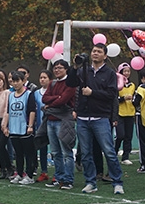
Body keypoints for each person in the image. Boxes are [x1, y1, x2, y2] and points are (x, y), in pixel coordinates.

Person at [66, 43, 124, 195]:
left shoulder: (110, 73)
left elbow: (112, 95)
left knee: (109, 151)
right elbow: (70, 83)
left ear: (105, 55)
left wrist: (93, 93)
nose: (95, 54)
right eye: (93, 51)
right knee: (85, 153)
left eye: (99, 51)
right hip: (83, 117)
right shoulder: (84, 70)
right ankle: (90, 182)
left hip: (101, 117)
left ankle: (117, 182)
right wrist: (74, 67)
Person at [42, 60, 77, 189]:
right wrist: (56, 98)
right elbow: (44, 98)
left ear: (66, 69)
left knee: (66, 152)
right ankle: (58, 177)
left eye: (60, 68)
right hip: (51, 120)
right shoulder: (52, 83)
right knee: (55, 152)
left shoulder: (70, 84)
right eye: (55, 68)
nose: (57, 70)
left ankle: (68, 180)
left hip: (63, 121)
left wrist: (52, 101)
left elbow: (63, 100)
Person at [2, 71, 37, 185]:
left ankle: (30, 175)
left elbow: (32, 110)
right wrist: (5, 125)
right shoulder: (11, 95)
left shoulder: (28, 94)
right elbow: (8, 111)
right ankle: (20, 173)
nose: (15, 84)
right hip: (14, 128)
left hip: (25, 127)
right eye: (13, 81)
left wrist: (30, 125)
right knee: (18, 153)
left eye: (18, 81)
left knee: (29, 153)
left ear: (23, 81)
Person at [115, 63, 136, 165]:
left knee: (128, 136)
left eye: (128, 71)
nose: (127, 73)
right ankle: (114, 153)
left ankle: (125, 157)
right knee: (120, 135)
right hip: (120, 113)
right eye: (125, 71)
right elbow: (114, 99)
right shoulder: (117, 85)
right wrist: (123, 99)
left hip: (130, 113)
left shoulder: (132, 85)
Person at [34, 70, 52, 182]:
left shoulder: (53, 91)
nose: (42, 80)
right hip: (41, 126)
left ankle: (59, 174)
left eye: (45, 77)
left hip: (52, 123)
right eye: (41, 77)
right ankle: (44, 171)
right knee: (42, 148)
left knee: (56, 149)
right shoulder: (36, 93)